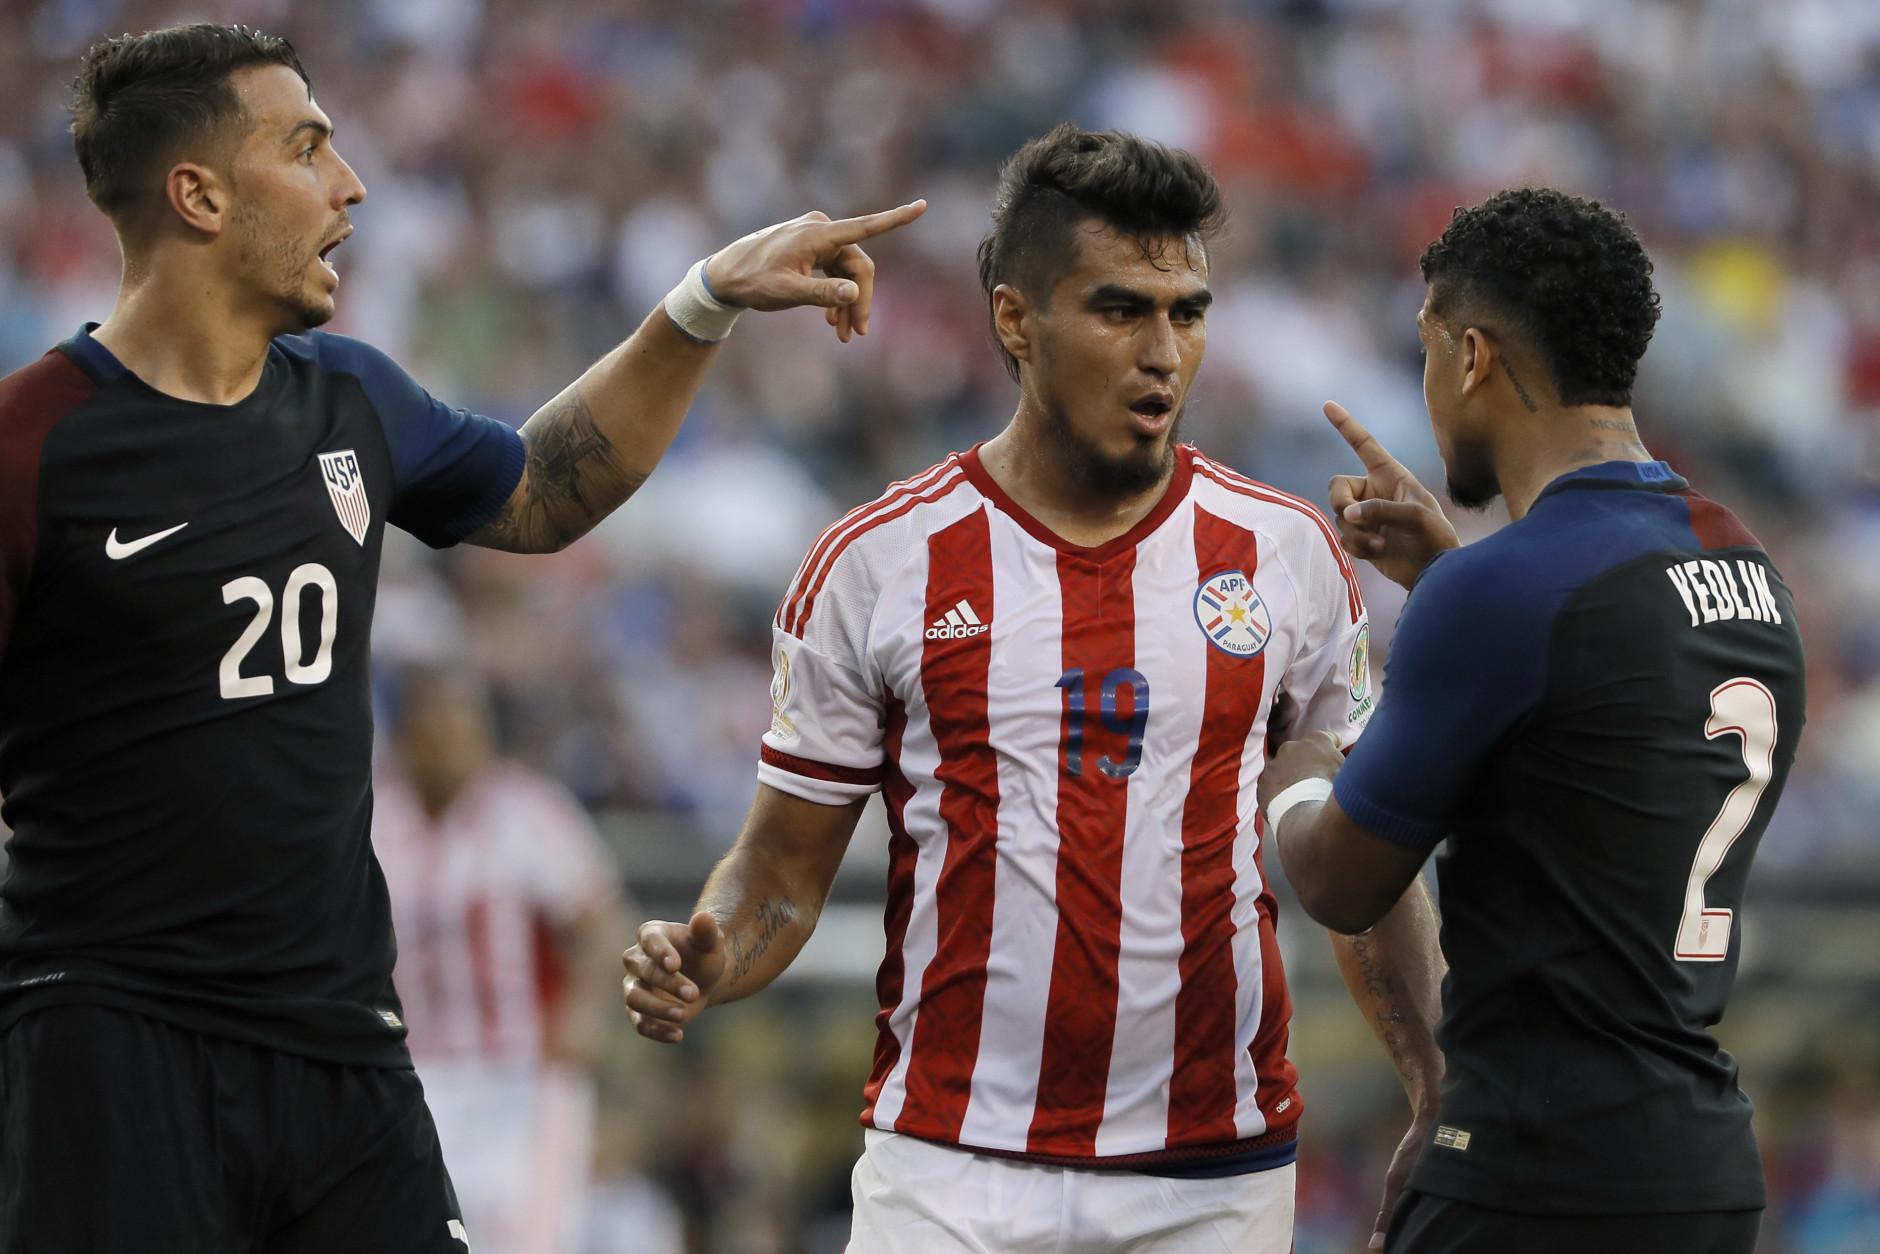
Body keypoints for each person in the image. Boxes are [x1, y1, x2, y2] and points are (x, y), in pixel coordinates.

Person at [0, 22, 921, 1254]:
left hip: (342, 1045)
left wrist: (701, 303)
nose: (351, 182)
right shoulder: (30, 449)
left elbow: (543, 488)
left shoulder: (348, 397)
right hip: (111, 1046)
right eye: (307, 146)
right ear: (199, 193)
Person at [622, 124, 1447, 1254]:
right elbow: (777, 877)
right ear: (1016, 319)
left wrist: (1433, 1079)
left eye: (1186, 312)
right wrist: (709, 952)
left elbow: (1355, 855)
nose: (1163, 351)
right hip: (950, 1170)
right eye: (1119, 310)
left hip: (1211, 1175)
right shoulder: (878, 562)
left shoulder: (1286, 553)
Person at [1258, 188, 1805, 1254]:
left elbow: (1336, 877)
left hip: (1531, 1174)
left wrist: (1296, 761)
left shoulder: (1506, 595)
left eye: (1423, 351)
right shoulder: (1744, 561)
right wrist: (1459, 579)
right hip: (1701, 1176)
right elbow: (1595, 724)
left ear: (1471, 355)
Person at [374, 669, 624, 1254]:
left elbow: (599, 923)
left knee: (526, 1239)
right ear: (406, 734)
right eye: (433, 726)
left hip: (518, 1075)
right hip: (408, 1076)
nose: (448, 740)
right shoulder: (371, 815)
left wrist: (581, 1014)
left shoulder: (527, 811)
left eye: (461, 725)